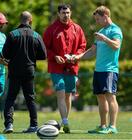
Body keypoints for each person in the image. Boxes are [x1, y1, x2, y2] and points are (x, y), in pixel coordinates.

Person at [74, 6, 123, 134]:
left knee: (110, 97)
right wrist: (77, 57)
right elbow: (92, 52)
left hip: (110, 70)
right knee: (100, 97)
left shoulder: (115, 30)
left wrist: (105, 39)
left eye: (98, 19)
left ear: (105, 17)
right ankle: (103, 126)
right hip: (98, 70)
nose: (96, 22)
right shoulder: (101, 31)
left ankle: (112, 127)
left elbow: (116, 45)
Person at [0, 11, 46, 133]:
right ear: (30, 20)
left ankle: (9, 125)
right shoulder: (36, 35)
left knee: (11, 97)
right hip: (29, 70)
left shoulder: (12, 34)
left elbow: (4, 54)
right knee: (30, 98)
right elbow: (43, 55)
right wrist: (32, 55)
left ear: (20, 20)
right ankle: (34, 125)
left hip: (14, 70)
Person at [43, 4, 86, 133]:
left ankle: (64, 121)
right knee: (61, 92)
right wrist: (55, 56)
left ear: (70, 13)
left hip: (72, 67)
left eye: (67, 12)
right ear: (58, 14)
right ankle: (66, 121)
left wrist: (75, 56)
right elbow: (44, 48)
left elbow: (82, 46)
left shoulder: (77, 29)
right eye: (63, 13)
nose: (66, 15)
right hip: (56, 67)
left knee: (68, 95)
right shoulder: (51, 29)